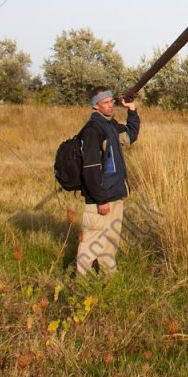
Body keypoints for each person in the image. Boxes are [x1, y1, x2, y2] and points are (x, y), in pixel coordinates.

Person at [76, 87, 140, 275]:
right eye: (105, 103)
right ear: (95, 106)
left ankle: (108, 278)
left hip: (115, 194)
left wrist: (132, 110)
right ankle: (80, 281)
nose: (110, 106)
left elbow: (130, 136)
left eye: (111, 101)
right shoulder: (92, 130)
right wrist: (100, 199)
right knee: (91, 242)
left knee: (110, 240)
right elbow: (90, 170)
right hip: (101, 198)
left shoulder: (111, 126)